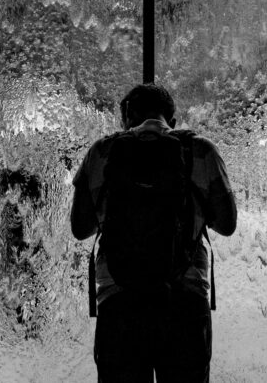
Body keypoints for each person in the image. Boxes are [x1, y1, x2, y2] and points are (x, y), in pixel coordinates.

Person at [70, 83, 237, 383]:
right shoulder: (200, 149)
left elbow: (80, 228)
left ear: (128, 117)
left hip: (119, 301)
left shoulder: (103, 151)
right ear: (171, 121)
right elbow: (228, 224)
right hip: (184, 302)